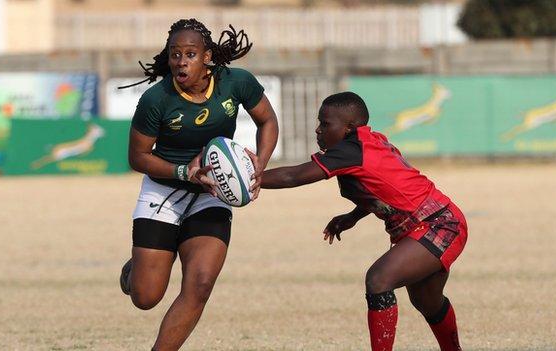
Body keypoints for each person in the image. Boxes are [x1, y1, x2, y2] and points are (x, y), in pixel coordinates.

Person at [261, 92, 466, 351]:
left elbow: (294, 175)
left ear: (348, 128)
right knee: (427, 302)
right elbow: (385, 186)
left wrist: (252, 178)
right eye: (319, 122)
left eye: (325, 124)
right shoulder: (369, 142)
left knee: (379, 280)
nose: (318, 129)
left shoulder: (350, 150)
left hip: (437, 224)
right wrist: (352, 217)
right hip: (429, 223)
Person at [119, 19, 278, 351]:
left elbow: (267, 119)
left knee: (201, 283)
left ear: (207, 57)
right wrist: (182, 172)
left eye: (190, 54)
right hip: (164, 190)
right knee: (146, 297)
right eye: (175, 54)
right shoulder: (156, 99)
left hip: (212, 192)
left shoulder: (236, 82)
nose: (181, 61)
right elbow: (137, 157)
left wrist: (259, 165)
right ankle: (135, 271)